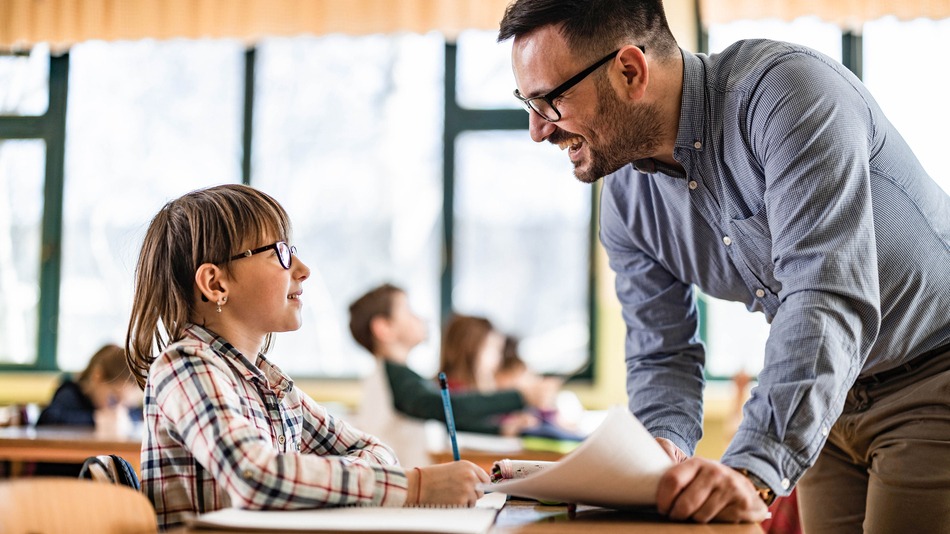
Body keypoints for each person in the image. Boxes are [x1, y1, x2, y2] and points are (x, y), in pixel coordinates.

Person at [498, 0, 950, 530]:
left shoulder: (786, 96)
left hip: (931, 374)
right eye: (526, 102)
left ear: (629, 71)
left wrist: (748, 467)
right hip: (830, 402)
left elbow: (825, 297)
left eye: (551, 100)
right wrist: (659, 451)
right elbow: (661, 351)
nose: (537, 129)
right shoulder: (626, 198)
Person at [126, 185, 489, 530]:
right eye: (280, 253)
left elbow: (376, 450)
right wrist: (415, 487)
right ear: (216, 284)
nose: (303, 269)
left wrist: (304, 477)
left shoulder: (272, 383)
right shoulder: (185, 366)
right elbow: (257, 477)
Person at [348, 284, 558, 440]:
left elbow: (446, 419)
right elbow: (447, 407)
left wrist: (499, 429)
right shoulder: (395, 378)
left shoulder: (400, 377)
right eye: (409, 312)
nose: (420, 318)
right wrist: (521, 396)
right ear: (383, 328)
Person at [34, 343, 142, 476]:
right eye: (113, 400)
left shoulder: (123, 410)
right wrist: (96, 419)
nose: (117, 410)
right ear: (98, 376)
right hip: (59, 477)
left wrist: (127, 419)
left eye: (126, 406)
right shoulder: (70, 393)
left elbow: (136, 415)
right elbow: (47, 419)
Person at [439, 314, 552, 437]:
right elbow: (465, 422)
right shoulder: (453, 394)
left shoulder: (480, 388)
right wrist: (504, 428)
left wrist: (514, 422)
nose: (498, 358)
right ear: (471, 348)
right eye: (493, 349)